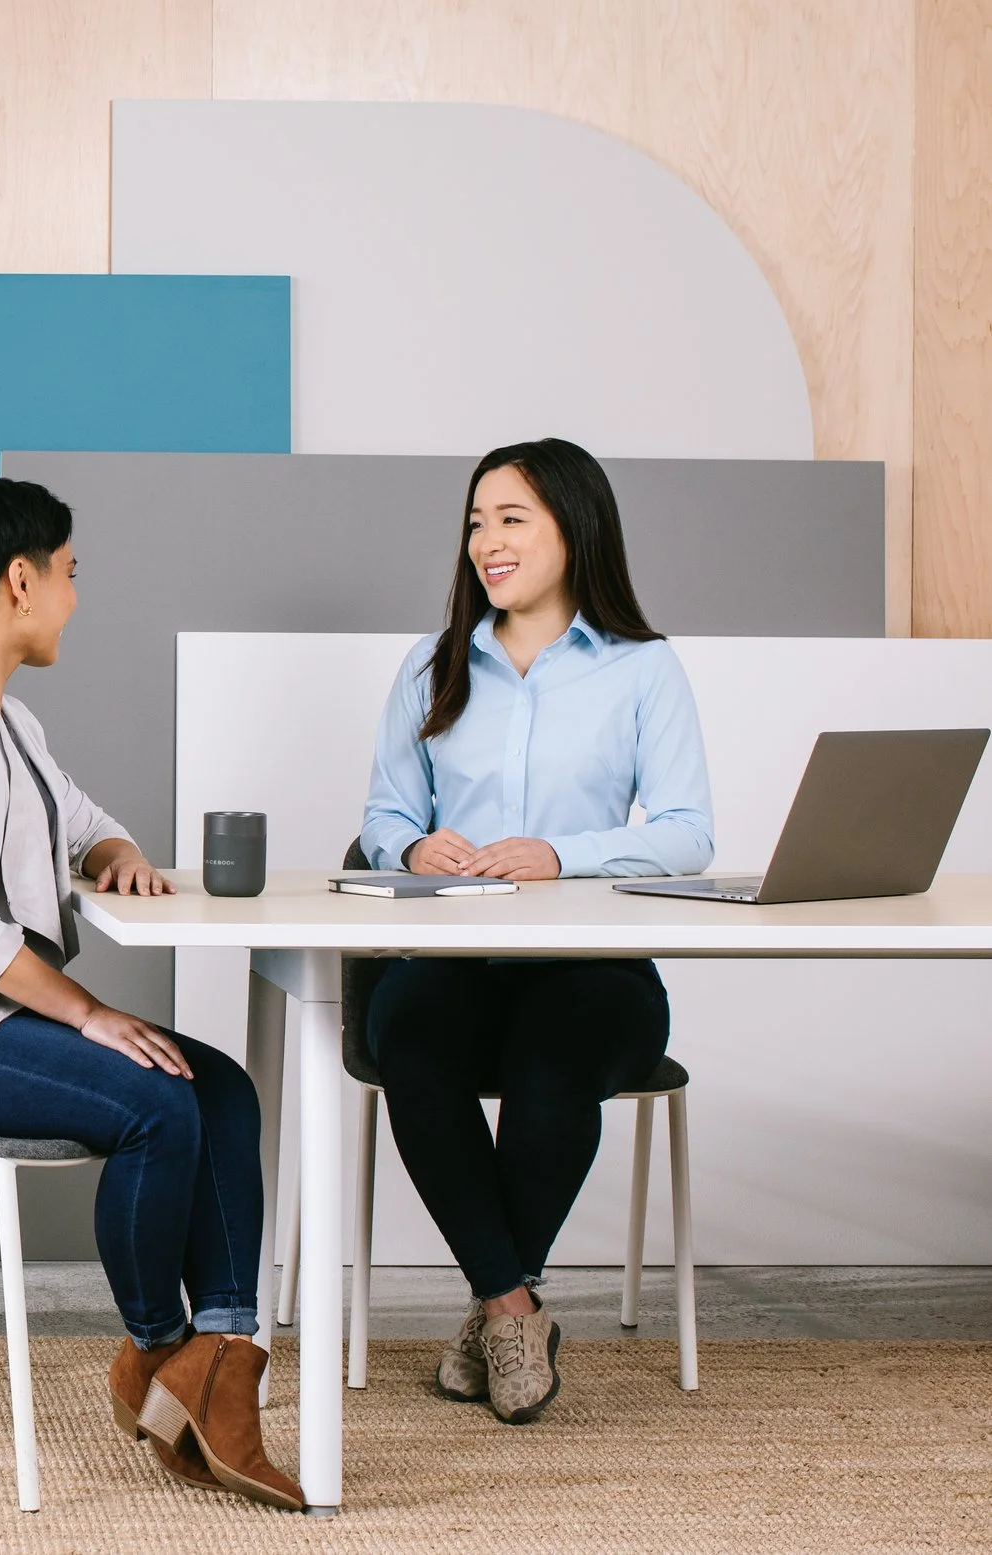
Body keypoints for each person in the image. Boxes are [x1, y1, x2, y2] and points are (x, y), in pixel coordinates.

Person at [0, 477, 298, 1510]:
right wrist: (85, 1010)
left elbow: (84, 817)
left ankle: (219, 1353)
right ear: (20, 577)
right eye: (71, 574)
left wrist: (119, 848)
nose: (77, 598)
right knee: (152, 1098)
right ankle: (155, 1349)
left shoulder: (7, 717)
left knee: (217, 1082)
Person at [360, 437, 713, 1425]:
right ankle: (514, 1305)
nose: (485, 540)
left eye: (510, 517)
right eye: (476, 521)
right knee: (410, 1041)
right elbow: (386, 816)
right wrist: (414, 849)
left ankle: (488, 1306)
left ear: (574, 525)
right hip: (456, 958)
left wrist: (564, 853)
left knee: (555, 1060)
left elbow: (687, 834)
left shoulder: (643, 668)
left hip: (592, 971)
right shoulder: (430, 665)